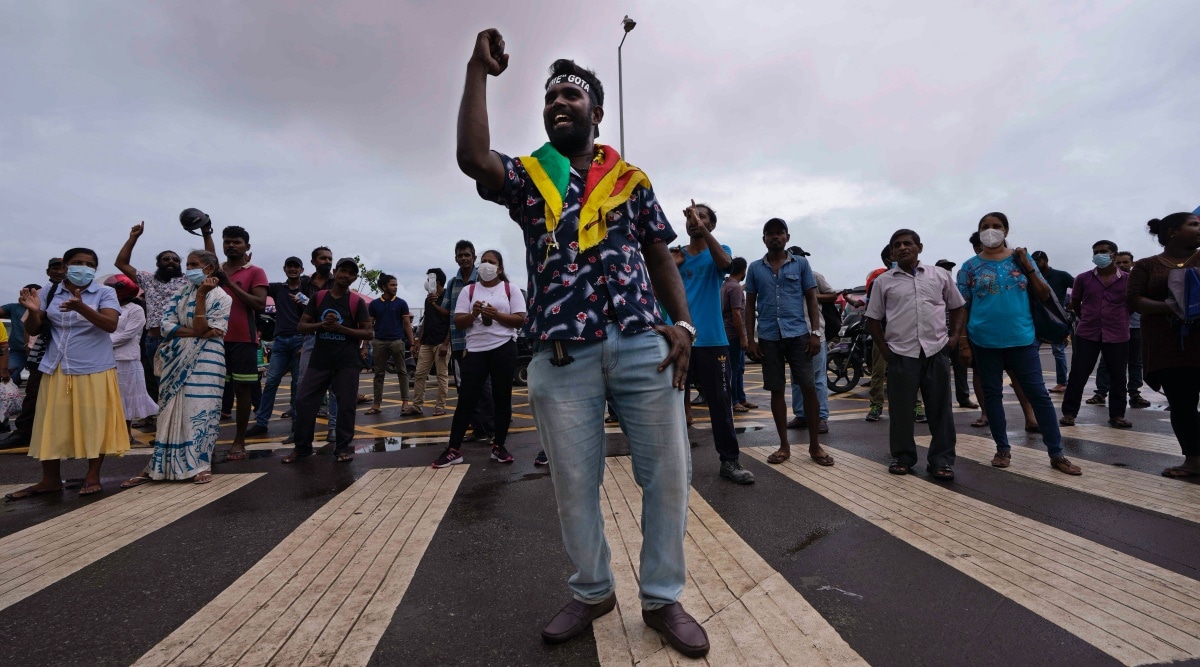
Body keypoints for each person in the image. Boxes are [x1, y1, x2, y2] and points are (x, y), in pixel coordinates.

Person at [457, 30, 708, 658]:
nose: (558, 104)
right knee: (574, 484)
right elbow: (472, 158)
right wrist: (476, 73)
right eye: (550, 99)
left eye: (571, 95)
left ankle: (662, 598)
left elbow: (660, 255)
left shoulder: (630, 179)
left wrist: (685, 326)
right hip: (562, 355)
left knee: (668, 478)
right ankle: (593, 590)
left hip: (640, 343)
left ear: (597, 111)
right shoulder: (529, 177)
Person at [957, 212, 1080, 475]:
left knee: (1039, 396)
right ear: (978, 232)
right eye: (985, 227)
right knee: (992, 396)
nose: (991, 231)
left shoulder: (1022, 261)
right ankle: (1002, 448)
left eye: (997, 226)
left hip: (1022, 339)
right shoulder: (969, 267)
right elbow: (963, 307)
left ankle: (1057, 453)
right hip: (983, 341)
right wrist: (964, 342)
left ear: (1007, 230)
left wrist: (1026, 265)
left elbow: (1044, 293)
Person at [5, 248, 128, 500]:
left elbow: (110, 325)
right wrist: (34, 311)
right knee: (51, 422)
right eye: (77, 262)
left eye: (89, 264)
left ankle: (92, 476)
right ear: (65, 265)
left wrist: (82, 308)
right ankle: (49, 480)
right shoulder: (48, 292)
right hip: (56, 365)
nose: (83, 267)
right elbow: (35, 327)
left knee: (94, 420)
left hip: (95, 367)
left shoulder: (105, 292)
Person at [121, 250, 231, 486]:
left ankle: (200, 464)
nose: (188, 268)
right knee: (169, 412)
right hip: (175, 357)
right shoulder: (180, 292)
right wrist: (196, 332)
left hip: (207, 361)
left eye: (194, 264)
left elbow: (204, 329)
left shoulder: (221, 297)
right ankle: (158, 466)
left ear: (209, 269)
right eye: (189, 263)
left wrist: (202, 296)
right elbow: (166, 326)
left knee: (199, 411)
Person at [867, 230, 965, 479]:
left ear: (919, 247)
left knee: (940, 409)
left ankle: (941, 461)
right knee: (901, 410)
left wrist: (954, 339)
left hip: (936, 350)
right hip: (901, 353)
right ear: (891, 253)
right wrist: (885, 350)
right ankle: (903, 457)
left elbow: (957, 307)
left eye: (907, 243)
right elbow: (873, 319)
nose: (902, 248)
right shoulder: (884, 281)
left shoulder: (939, 275)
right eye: (896, 245)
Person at [674, 202, 754, 484]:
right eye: (691, 217)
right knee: (671, 404)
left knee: (720, 404)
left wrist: (704, 230)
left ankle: (730, 462)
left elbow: (726, 265)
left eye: (702, 217)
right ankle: (673, 466)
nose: (695, 220)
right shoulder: (676, 257)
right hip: (678, 341)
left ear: (712, 224)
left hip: (711, 341)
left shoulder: (720, 251)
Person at [745, 218, 835, 468]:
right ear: (763, 238)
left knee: (808, 386)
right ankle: (784, 446)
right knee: (775, 389)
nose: (775, 237)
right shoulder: (755, 268)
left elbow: (811, 299)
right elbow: (750, 304)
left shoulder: (802, 264)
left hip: (798, 335)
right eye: (770, 234)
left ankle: (815, 446)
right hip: (769, 337)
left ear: (787, 237)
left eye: (779, 233)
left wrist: (815, 333)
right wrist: (750, 339)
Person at [431, 250, 526, 466]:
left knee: (502, 398)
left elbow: (520, 320)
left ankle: (499, 446)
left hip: (504, 348)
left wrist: (496, 315)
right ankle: (454, 449)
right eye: (483, 262)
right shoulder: (468, 290)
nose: (486, 265)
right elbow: (458, 322)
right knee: (466, 399)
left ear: (500, 268)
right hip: (475, 351)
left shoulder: (510, 290)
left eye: (491, 262)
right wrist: (473, 314)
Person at [1128, 212, 1200, 478]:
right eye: (1193, 225)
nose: (1198, 229)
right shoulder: (1147, 266)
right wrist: (1172, 307)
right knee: (1183, 404)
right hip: (1168, 347)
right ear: (1172, 231)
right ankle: (1193, 460)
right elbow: (1134, 300)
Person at [281, 258, 372, 464]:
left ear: (355, 278)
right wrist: (321, 325)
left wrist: (342, 329)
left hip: (346, 363)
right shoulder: (319, 297)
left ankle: (342, 448)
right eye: (343, 271)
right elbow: (302, 327)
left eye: (351, 273)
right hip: (319, 361)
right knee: (304, 402)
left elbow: (368, 332)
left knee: (346, 405)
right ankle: (302, 448)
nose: (345, 275)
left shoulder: (356, 302)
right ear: (335, 271)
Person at [115, 220, 216, 403]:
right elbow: (121, 263)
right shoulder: (148, 280)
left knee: (179, 384)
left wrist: (206, 233)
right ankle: (157, 418)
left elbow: (210, 260)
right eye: (166, 258)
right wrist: (133, 238)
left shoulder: (188, 280)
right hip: (153, 340)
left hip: (180, 338)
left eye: (175, 259)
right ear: (158, 263)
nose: (171, 261)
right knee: (156, 381)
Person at [1059, 240, 1133, 429]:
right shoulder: (1083, 278)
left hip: (1117, 333)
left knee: (1118, 376)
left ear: (1113, 255)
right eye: (1095, 252)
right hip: (1087, 332)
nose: (1098, 255)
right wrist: (1086, 317)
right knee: (1078, 374)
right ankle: (1069, 414)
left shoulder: (1127, 279)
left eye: (1103, 251)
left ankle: (1117, 415)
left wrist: (1120, 318)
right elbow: (1076, 302)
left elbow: (1132, 305)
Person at [0, 260, 65, 450]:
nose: (59, 271)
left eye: (63, 268)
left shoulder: (86, 291)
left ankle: (64, 434)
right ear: (48, 271)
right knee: (34, 392)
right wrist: (30, 344)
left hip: (75, 351)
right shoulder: (44, 292)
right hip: (44, 349)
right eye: (55, 268)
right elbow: (30, 325)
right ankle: (24, 432)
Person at [216, 225, 268, 460]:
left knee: (242, 390)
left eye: (236, 242)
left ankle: (239, 440)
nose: (231, 245)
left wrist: (228, 282)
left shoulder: (255, 272)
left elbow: (258, 304)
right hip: (214, 338)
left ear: (247, 246)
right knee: (213, 392)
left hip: (243, 339)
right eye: (227, 241)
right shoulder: (215, 270)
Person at [439, 240, 495, 442]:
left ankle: (492, 430)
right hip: (457, 342)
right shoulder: (452, 283)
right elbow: (448, 312)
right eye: (460, 255)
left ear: (473, 257)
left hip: (479, 342)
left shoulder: (482, 279)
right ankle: (478, 428)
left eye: (467, 255)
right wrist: (433, 303)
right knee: (464, 388)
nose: (463, 258)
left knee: (484, 387)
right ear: (455, 258)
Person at [864, 245, 927, 424]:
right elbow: (872, 312)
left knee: (911, 372)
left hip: (905, 335)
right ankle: (875, 406)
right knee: (878, 371)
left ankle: (916, 406)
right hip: (883, 335)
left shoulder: (914, 279)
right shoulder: (879, 281)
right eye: (892, 256)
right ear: (887, 260)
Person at [246, 256, 307, 438]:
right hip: (280, 340)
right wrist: (247, 264)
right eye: (290, 266)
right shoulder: (278, 288)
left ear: (301, 270)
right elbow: (256, 287)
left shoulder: (307, 291)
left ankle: (297, 424)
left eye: (296, 266)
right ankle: (262, 423)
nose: (293, 269)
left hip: (299, 339)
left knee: (297, 385)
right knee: (271, 381)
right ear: (284, 269)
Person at [283, 246, 337, 445]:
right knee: (303, 385)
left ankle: (333, 428)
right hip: (311, 336)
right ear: (313, 261)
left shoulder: (336, 281)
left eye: (330, 258)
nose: (327, 261)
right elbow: (302, 315)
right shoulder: (305, 283)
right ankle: (299, 430)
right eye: (322, 258)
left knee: (334, 387)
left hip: (333, 337)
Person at [788, 247, 836, 435]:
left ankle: (821, 417)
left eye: (802, 258)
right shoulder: (784, 278)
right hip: (792, 335)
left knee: (817, 379)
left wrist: (811, 295)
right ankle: (801, 415)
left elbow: (832, 295)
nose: (800, 262)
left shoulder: (815, 276)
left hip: (815, 334)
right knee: (796, 379)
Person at [1094, 251, 1151, 409]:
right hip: (1114, 328)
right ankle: (1100, 392)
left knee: (1135, 362)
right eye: (1118, 263)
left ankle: (1134, 393)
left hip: (1135, 327)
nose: (1122, 265)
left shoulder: (1139, 281)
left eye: (1125, 262)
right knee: (1106, 361)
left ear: (1132, 263)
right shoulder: (1109, 280)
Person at [105, 274, 158, 441]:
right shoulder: (105, 307)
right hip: (105, 358)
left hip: (125, 359)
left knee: (126, 397)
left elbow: (127, 335)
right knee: (108, 396)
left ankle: (125, 434)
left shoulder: (136, 310)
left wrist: (99, 344)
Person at [366, 273, 416, 416]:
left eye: (396, 285)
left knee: (402, 372)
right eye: (392, 285)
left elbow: (407, 325)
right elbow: (369, 325)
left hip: (396, 341)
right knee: (378, 374)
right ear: (384, 287)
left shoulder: (401, 303)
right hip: (379, 341)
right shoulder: (375, 304)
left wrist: (412, 343)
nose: (395, 288)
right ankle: (376, 404)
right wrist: (364, 345)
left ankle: (405, 403)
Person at [936, 259, 978, 409]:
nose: (947, 271)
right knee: (940, 371)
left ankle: (964, 398)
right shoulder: (933, 287)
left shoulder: (957, 288)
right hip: (939, 335)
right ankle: (942, 401)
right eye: (944, 268)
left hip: (956, 334)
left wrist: (961, 336)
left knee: (961, 368)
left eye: (949, 268)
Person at [1031, 250, 1074, 393]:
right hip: (1037, 319)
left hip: (1056, 319)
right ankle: (1032, 380)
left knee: (1058, 351)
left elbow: (1079, 288)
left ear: (1046, 260)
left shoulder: (1061, 275)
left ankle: (1062, 382)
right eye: (1033, 262)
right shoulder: (1033, 276)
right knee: (1031, 350)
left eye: (1038, 261)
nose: (1035, 264)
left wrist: (1072, 306)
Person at [411, 268, 451, 416]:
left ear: (437, 282)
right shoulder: (428, 298)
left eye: (429, 280)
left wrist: (446, 344)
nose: (427, 283)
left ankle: (440, 407)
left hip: (442, 342)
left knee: (442, 375)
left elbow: (451, 320)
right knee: (420, 374)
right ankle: (417, 405)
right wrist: (418, 341)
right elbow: (426, 319)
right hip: (427, 342)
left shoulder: (448, 297)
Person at [721, 257, 754, 412]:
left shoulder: (727, 285)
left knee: (739, 368)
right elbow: (736, 314)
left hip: (727, 332)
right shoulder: (734, 288)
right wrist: (743, 338)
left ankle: (741, 398)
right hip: (734, 334)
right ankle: (735, 401)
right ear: (743, 271)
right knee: (734, 369)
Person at [0, 284, 43, 386]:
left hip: (38, 350)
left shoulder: (43, 308)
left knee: (36, 379)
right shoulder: (14, 307)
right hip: (17, 351)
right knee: (12, 374)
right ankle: (14, 395)